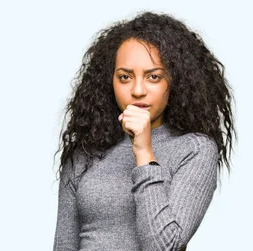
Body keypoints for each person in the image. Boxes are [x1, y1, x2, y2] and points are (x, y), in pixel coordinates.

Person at [52, 11, 236, 251]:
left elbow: (163, 247)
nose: (138, 90)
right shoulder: (85, 153)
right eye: (125, 77)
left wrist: (143, 151)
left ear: (174, 82)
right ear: (111, 82)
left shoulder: (194, 150)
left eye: (154, 77)